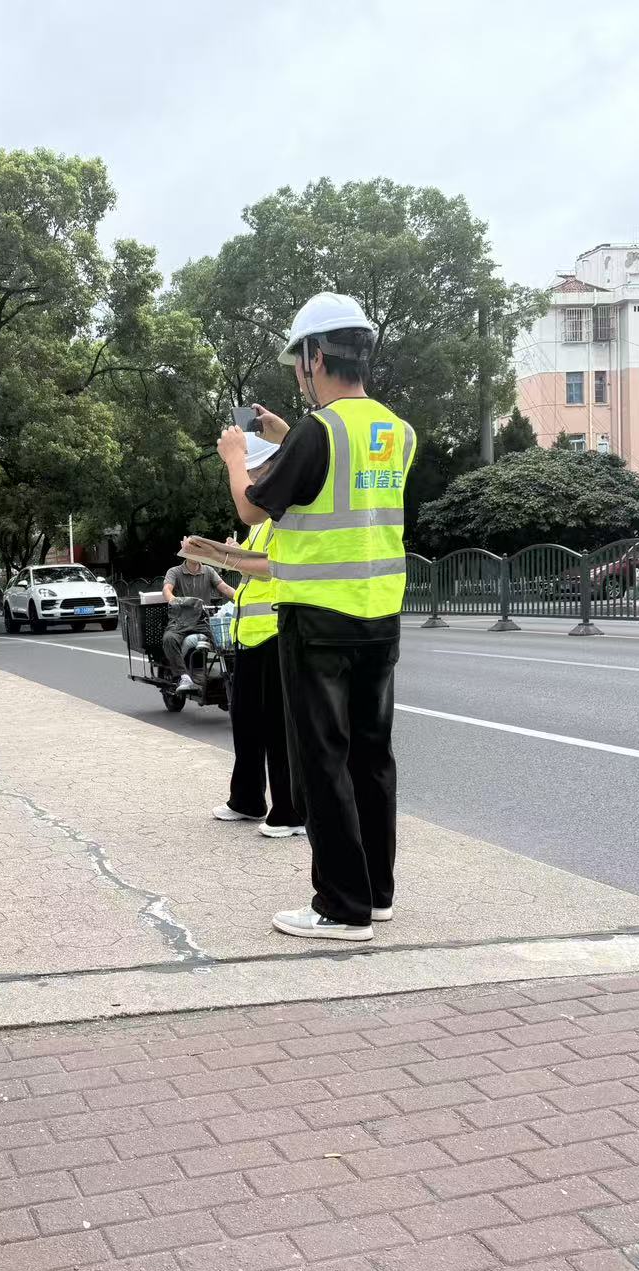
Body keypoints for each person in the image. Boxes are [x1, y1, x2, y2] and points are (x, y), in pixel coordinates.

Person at [216, 292, 416, 943]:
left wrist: (233, 458)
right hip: (378, 616)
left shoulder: (317, 432)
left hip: (316, 620)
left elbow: (252, 508)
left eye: (300, 360)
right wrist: (284, 436)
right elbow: (339, 473)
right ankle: (376, 893)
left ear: (315, 355)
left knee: (321, 760)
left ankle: (339, 905)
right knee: (371, 756)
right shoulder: (396, 431)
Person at [198, 432, 305, 840]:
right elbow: (252, 561)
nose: (251, 481)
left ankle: (290, 813)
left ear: (266, 469)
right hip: (250, 634)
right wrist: (227, 552)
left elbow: (275, 566)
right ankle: (246, 800)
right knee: (245, 722)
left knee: (279, 729)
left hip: (276, 631)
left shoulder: (284, 511)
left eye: (252, 471)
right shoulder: (264, 519)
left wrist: (220, 557)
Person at [161, 555, 234, 693]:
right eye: (191, 550)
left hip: (202, 620)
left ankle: (232, 672)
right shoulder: (174, 572)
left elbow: (224, 588)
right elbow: (167, 589)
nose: (194, 554)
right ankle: (183, 676)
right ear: (185, 553)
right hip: (180, 620)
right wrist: (173, 599)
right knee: (169, 639)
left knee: (224, 638)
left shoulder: (208, 571)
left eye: (198, 550)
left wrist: (242, 597)